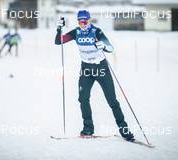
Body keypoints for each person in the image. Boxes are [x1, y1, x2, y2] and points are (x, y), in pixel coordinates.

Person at [54, 10, 134, 141]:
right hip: (86, 69)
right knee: (83, 98)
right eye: (80, 21)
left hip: (101, 68)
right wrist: (59, 29)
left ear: (89, 21)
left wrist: (103, 46)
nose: (83, 24)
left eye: (85, 21)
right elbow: (59, 41)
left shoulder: (96, 31)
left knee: (112, 101)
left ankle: (125, 130)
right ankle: (88, 129)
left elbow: (110, 47)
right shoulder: (76, 32)